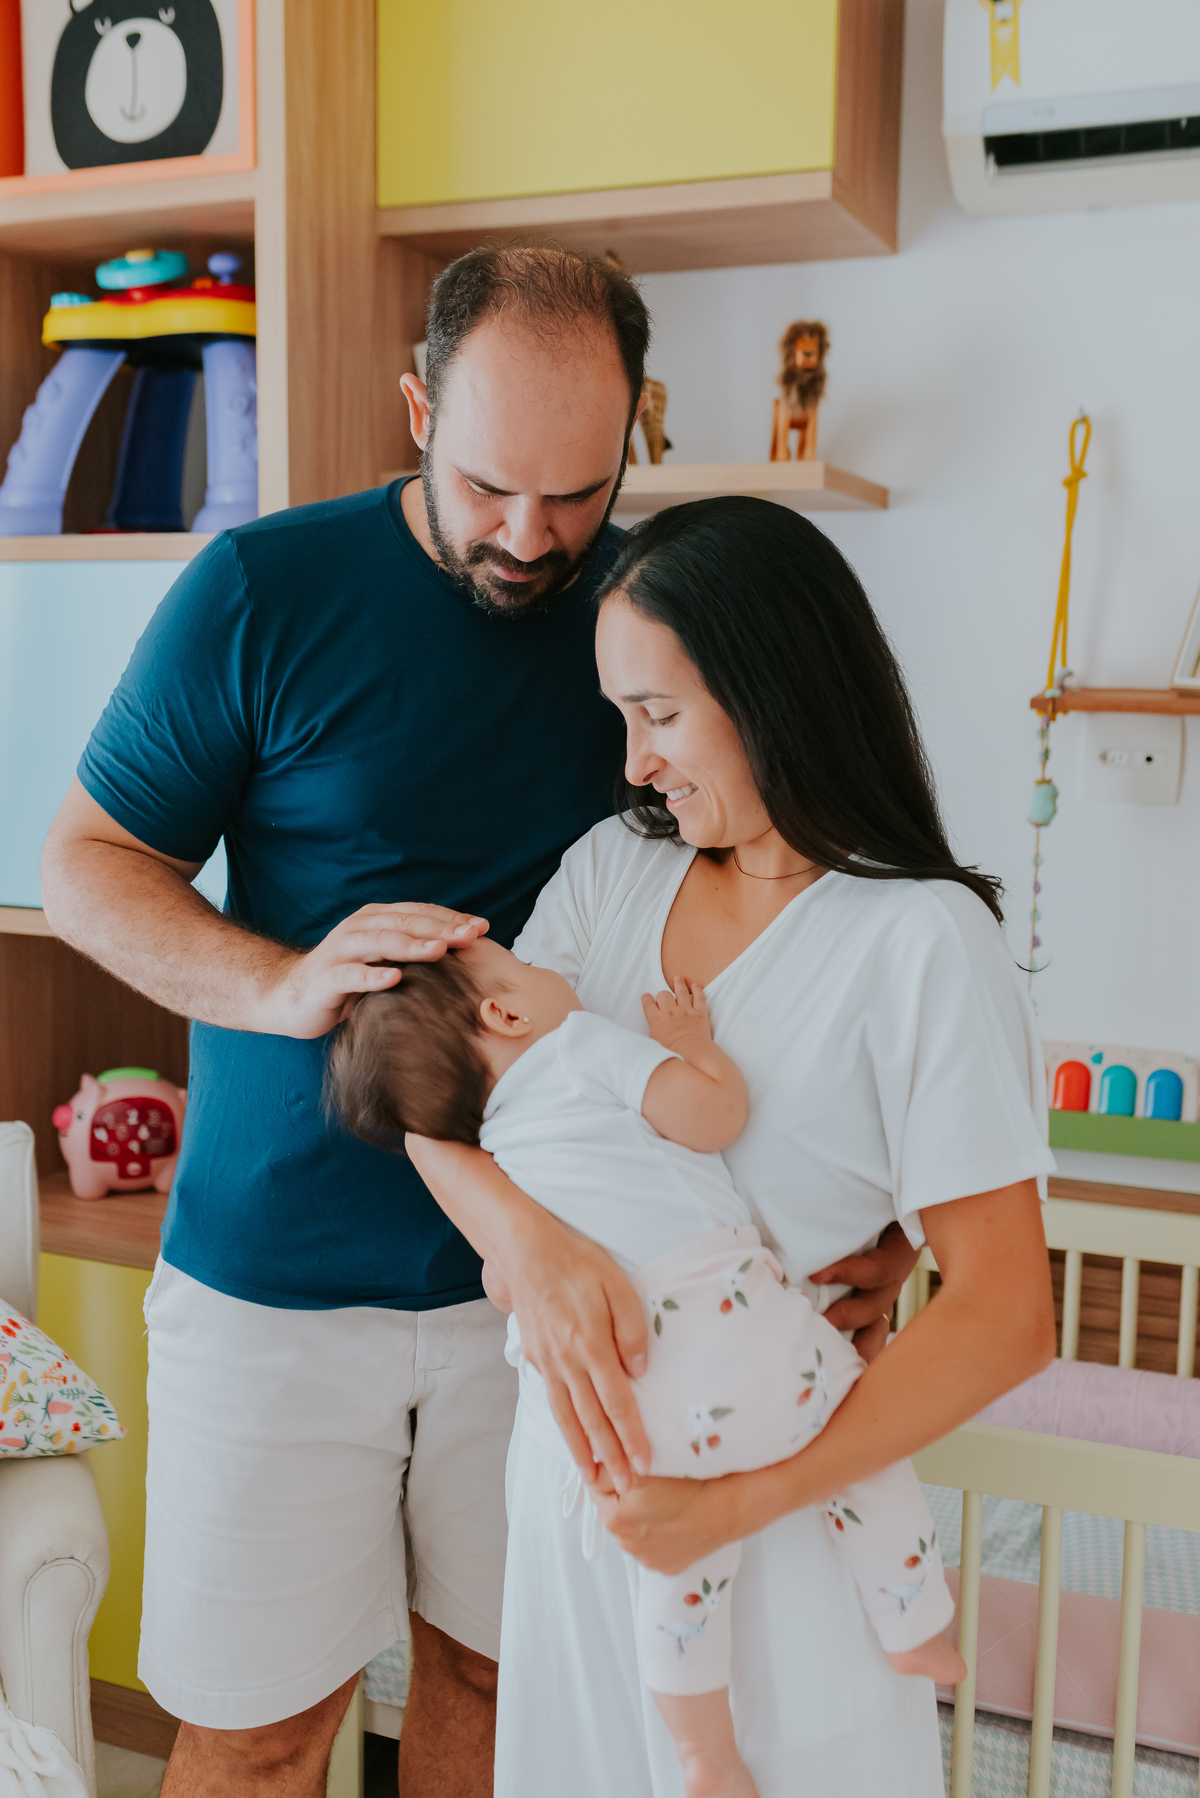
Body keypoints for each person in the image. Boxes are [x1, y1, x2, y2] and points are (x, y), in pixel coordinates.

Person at [39, 250, 917, 1798]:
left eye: (576, 494)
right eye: (490, 485)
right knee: (256, 1735)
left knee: (506, 1690)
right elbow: (91, 865)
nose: (530, 538)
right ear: (415, 408)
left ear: (634, 435)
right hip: (277, 1278)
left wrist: (878, 1208)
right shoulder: (262, 590)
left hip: (584, 1297)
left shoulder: (657, 625)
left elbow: (783, 913)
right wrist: (277, 982)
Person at [407, 496, 1058, 1798]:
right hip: (573, 1492)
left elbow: (1006, 1312)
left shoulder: (920, 939)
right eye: (622, 720)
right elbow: (442, 1106)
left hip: (770, 1510)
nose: (635, 762)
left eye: (660, 714)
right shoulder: (609, 875)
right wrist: (526, 1245)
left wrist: (731, 1508)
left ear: (773, 689)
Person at [327, 943, 966, 1798]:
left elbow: (503, 1280)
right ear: (507, 1014)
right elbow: (712, 1116)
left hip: (634, 1401)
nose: (553, 975)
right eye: (521, 966)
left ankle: (703, 1753)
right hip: (740, 1329)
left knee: (683, 1576)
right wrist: (692, 1044)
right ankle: (913, 1620)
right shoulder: (579, 1045)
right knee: (865, 1447)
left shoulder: (497, 1152)